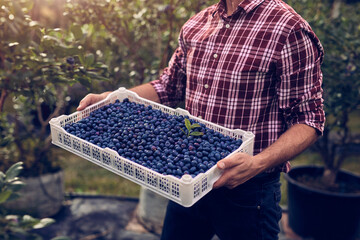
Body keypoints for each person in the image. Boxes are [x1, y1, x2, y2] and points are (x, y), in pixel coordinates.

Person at [77, 0, 325, 239]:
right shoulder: (196, 25)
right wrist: (111, 98)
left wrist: (257, 163)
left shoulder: (288, 29)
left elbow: (309, 120)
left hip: (248, 189)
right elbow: (167, 87)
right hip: (188, 180)